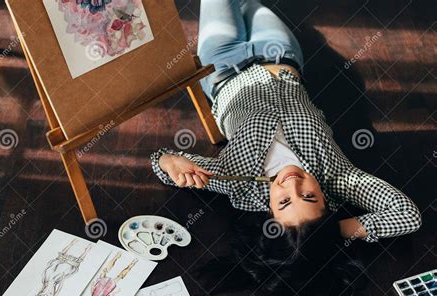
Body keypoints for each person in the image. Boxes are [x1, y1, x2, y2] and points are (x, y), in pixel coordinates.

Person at [150, 0, 421, 244]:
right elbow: (407, 215)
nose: (293, 185)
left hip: (222, 64)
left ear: (270, 208)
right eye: (309, 197)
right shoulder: (339, 177)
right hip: (279, 52)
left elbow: (162, 164)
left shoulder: (238, 182)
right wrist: (328, 233)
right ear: (327, 200)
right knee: (249, 4)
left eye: (284, 201)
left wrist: (171, 163)